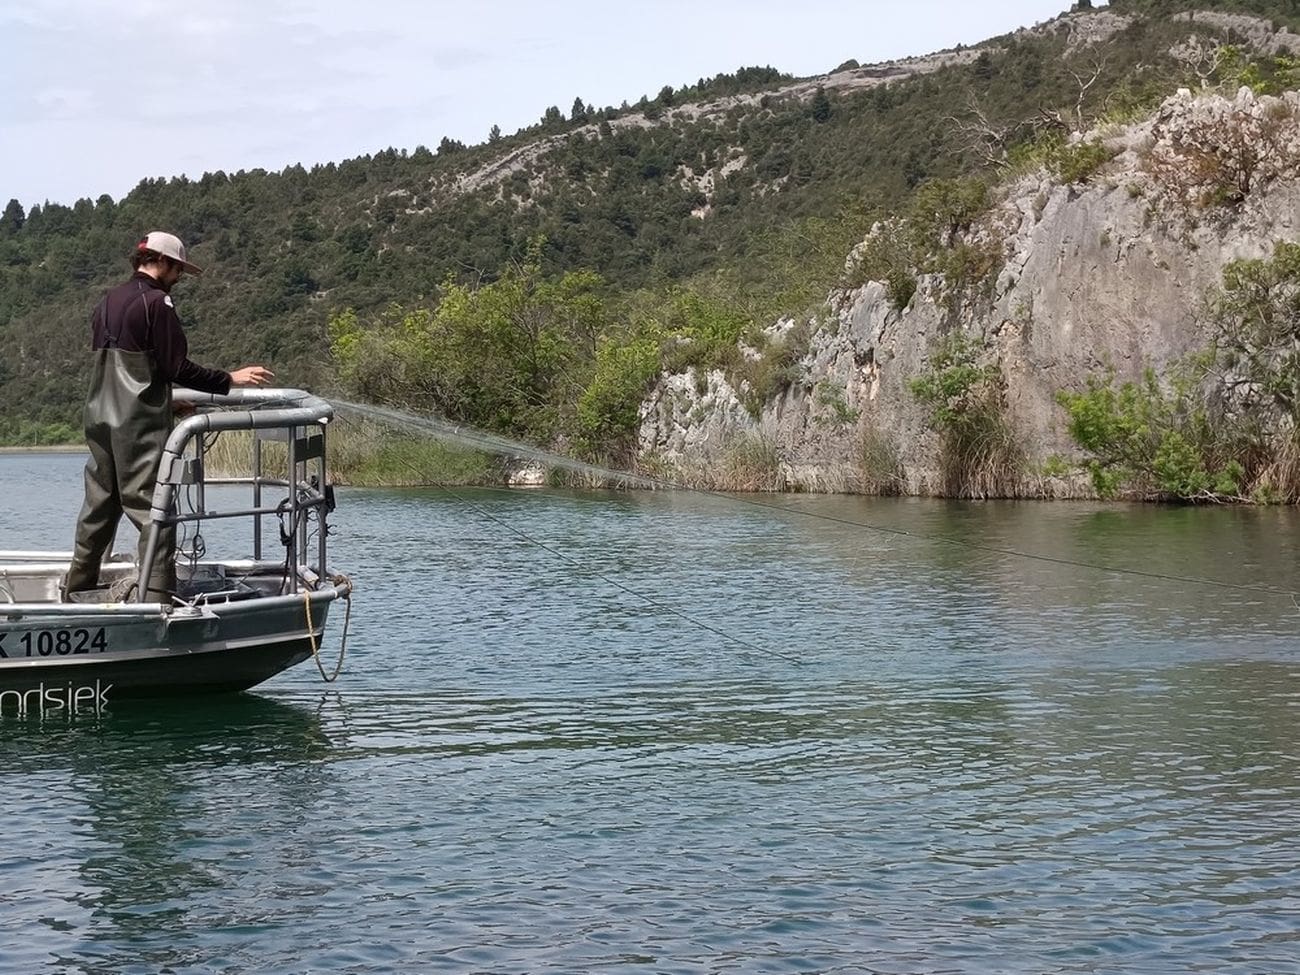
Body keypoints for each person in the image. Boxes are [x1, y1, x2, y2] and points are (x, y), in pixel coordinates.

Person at [63, 231, 274, 601]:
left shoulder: (107, 301)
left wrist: (166, 401)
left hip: (99, 417)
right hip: (137, 425)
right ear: (162, 262)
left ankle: (77, 586)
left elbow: (128, 372)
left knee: (100, 503)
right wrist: (229, 379)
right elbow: (175, 366)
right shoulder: (158, 303)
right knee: (151, 505)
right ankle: (157, 596)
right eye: (178, 269)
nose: (179, 278)